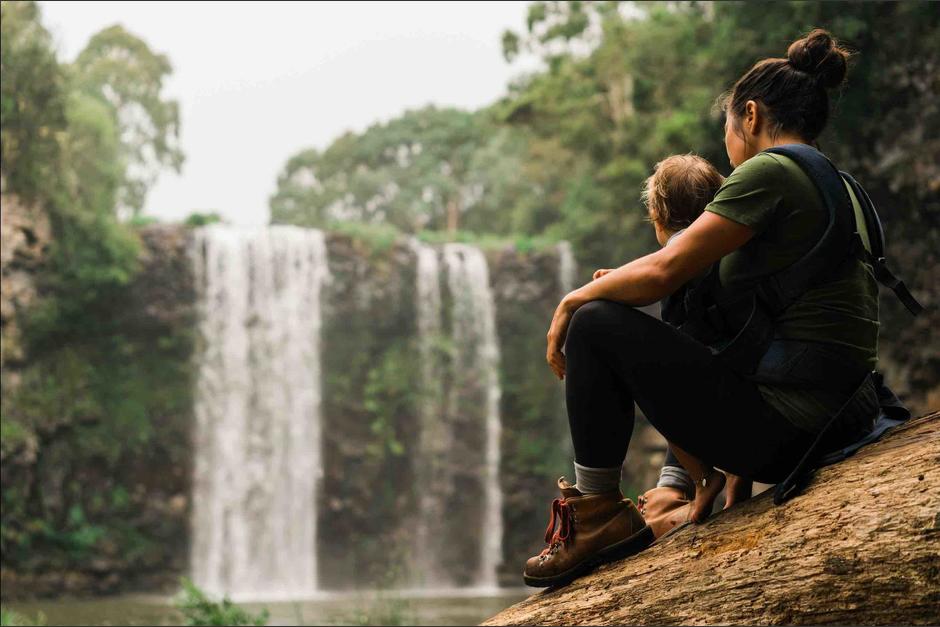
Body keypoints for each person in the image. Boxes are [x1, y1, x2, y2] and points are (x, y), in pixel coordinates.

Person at [524, 28, 881, 589]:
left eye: (728, 130)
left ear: (752, 115)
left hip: (792, 426)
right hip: (845, 414)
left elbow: (670, 267)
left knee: (594, 324)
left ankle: (595, 514)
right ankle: (670, 488)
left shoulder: (770, 171)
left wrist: (574, 298)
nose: (729, 148)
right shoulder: (841, 184)